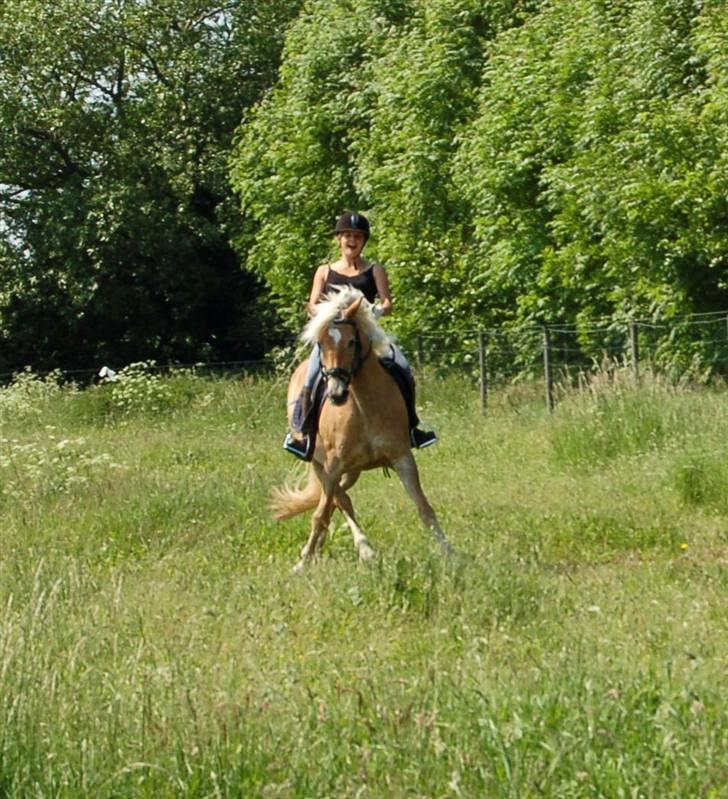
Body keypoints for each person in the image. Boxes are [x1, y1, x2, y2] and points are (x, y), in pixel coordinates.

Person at [283, 211, 438, 460]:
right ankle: (304, 435)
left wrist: (375, 310)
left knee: (403, 367)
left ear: (364, 241)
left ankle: (412, 428)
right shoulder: (324, 271)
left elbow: (387, 303)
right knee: (311, 376)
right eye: (347, 236)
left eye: (357, 236)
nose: (352, 241)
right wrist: (324, 313)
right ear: (339, 239)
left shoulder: (375, 270)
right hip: (335, 339)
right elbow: (312, 304)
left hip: (368, 336)